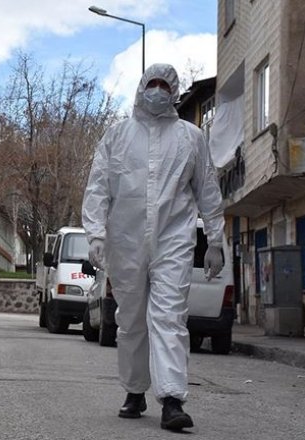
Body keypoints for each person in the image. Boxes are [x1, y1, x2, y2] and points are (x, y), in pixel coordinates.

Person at [82, 64, 225, 431]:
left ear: (174, 91)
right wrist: (96, 234)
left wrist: (216, 240)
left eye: (165, 85)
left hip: (173, 241)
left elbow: (207, 189)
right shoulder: (117, 136)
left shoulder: (191, 138)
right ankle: (134, 390)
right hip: (125, 242)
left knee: (169, 318)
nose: (158, 90)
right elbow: (98, 186)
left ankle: (172, 399)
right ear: (142, 87)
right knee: (130, 321)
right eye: (153, 84)